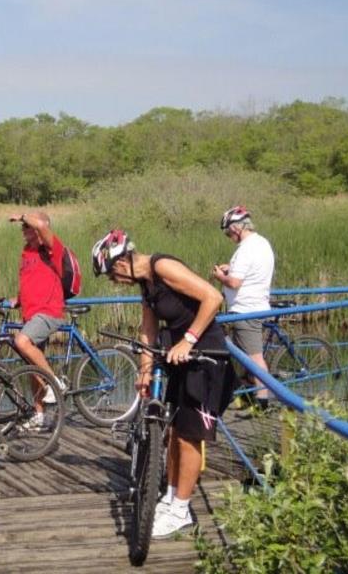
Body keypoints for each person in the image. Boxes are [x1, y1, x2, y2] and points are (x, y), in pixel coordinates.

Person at [92, 229, 236, 539]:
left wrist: (188, 340)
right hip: (178, 359)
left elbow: (213, 297)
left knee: (189, 435)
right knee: (173, 432)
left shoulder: (162, 267)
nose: (114, 282)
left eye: (111, 276)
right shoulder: (146, 285)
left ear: (120, 263)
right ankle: (170, 498)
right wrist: (144, 371)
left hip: (205, 356)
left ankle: (181, 510)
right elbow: (148, 329)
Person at [212, 206, 275, 410]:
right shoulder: (261, 243)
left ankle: (262, 402)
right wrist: (230, 269)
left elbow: (235, 283)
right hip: (254, 305)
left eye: (228, 231)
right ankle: (248, 395)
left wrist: (221, 277)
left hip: (246, 309)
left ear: (237, 228)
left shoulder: (247, 249)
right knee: (245, 355)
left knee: (254, 358)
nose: (228, 236)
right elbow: (249, 271)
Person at [8, 211, 67, 422]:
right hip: (31, 313)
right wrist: (19, 298)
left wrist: (23, 215)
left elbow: (42, 227)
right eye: (23, 228)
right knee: (34, 368)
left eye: (27, 227)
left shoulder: (51, 249)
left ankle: (54, 383)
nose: (24, 231)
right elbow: (33, 279)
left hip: (48, 312)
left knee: (21, 341)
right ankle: (39, 415)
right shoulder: (27, 252)